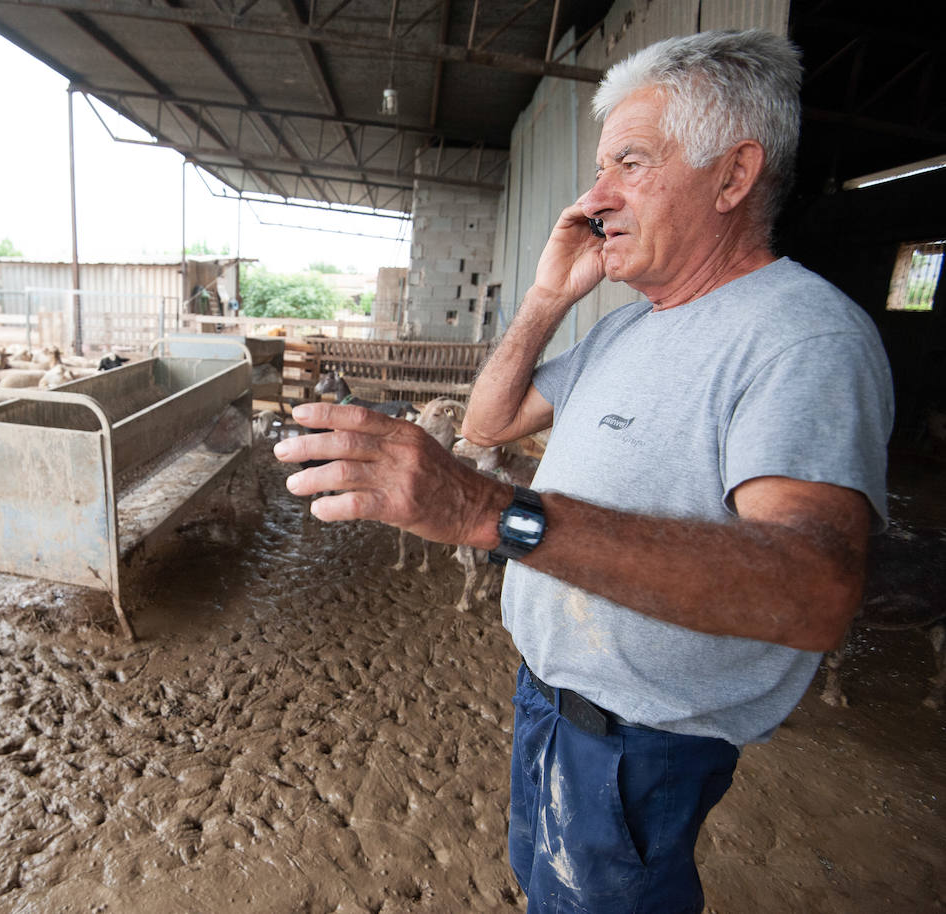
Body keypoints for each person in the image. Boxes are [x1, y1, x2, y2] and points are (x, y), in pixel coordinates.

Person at [274, 28, 893, 914]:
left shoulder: (801, 334)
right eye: (601, 170)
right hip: (550, 698)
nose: (597, 199)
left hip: (639, 742)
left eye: (630, 164)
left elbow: (815, 590)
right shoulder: (628, 324)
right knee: (545, 888)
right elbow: (488, 421)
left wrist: (494, 515)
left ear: (733, 175)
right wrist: (547, 297)